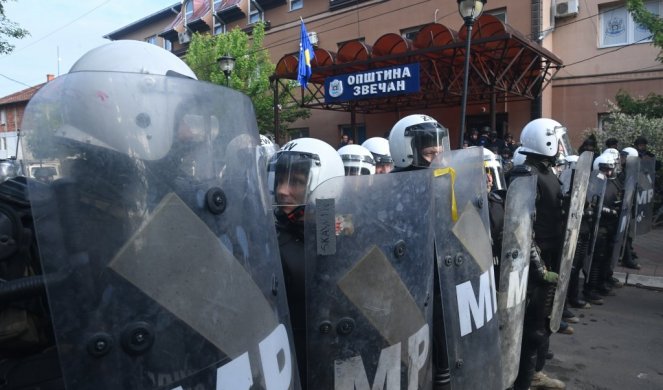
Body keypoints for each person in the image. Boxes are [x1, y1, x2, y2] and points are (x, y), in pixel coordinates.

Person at [267, 137, 344, 385]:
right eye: (279, 179)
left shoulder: (346, 231)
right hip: (291, 365)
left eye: (296, 181)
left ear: (326, 183)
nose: (282, 189)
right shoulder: (268, 239)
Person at [512, 118, 569, 390]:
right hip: (537, 260)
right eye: (556, 139)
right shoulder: (527, 175)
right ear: (545, 140)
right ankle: (526, 379)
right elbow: (524, 229)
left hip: (551, 253)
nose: (560, 145)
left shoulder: (546, 172)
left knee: (543, 321)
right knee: (532, 327)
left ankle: (535, 371)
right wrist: (539, 268)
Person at [584, 152, 621, 304]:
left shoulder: (611, 182)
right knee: (595, 259)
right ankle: (590, 290)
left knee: (604, 257)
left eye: (610, 169)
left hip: (609, 227)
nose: (609, 172)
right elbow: (593, 204)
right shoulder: (594, 183)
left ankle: (600, 284)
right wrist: (609, 211)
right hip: (598, 227)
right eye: (606, 169)